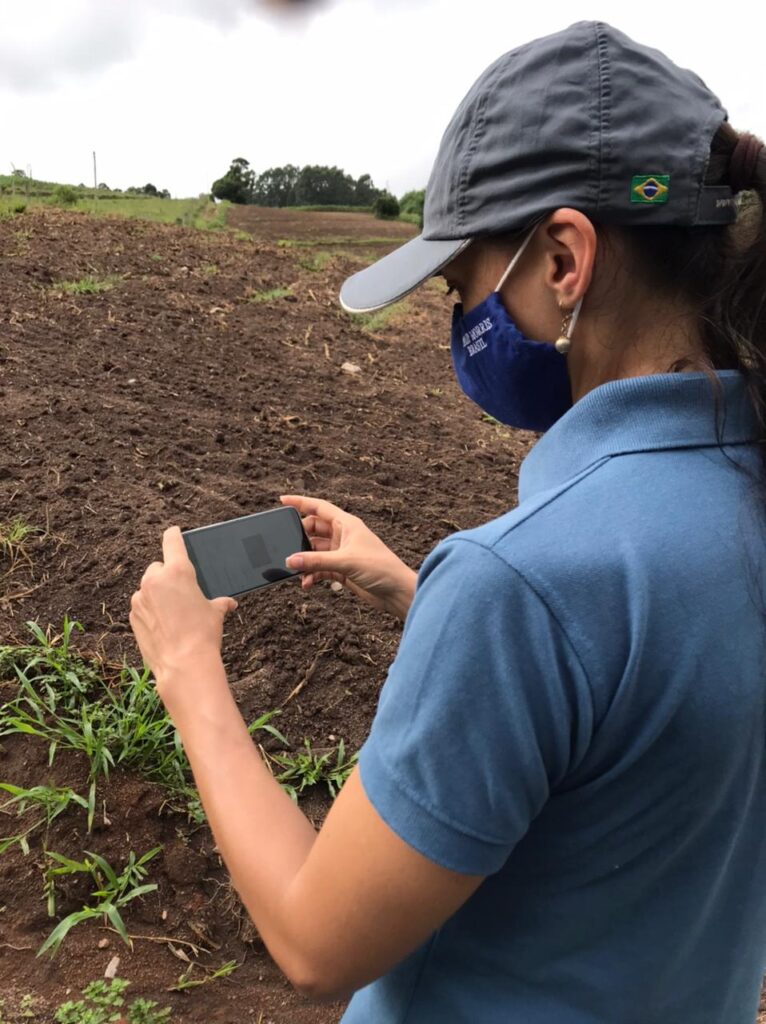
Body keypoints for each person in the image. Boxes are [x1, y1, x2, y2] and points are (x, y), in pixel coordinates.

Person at [129, 20, 766, 1023]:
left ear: (564, 259)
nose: (456, 325)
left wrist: (188, 672)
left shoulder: (523, 582)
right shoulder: (730, 492)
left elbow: (313, 937)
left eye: (463, 285)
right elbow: (641, 707)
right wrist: (414, 592)